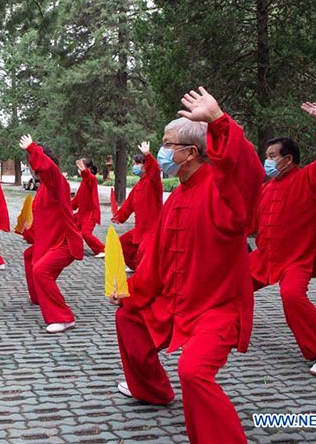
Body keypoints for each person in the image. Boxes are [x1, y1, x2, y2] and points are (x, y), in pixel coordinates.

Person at [113, 87, 263, 444]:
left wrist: (220, 122)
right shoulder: (178, 194)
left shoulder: (223, 190)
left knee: (193, 370)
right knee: (128, 318)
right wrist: (131, 292)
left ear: (190, 153)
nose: (162, 152)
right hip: (178, 301)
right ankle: (152, 390)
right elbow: (158, 261)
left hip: (217, 307)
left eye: (168, 145)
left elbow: (248, 174)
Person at [250, 102, 316, 377]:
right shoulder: (266, 189)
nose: (267, 160)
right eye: (266, 155)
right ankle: (226, 331)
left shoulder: (309, 179)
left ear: (288, 159)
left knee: (291, 295)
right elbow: (251, 223)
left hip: (295, 259)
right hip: (265, 257)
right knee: (232, 285)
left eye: (271, 155)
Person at [19, 134, 84, 333]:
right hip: (50, 241)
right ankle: (39, 296)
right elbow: (44, 220)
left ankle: (64, 317)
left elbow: (49, 171)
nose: (32, 168)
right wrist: (28, 233)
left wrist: (32, 148)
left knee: (41, 270)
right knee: (29, 256)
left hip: (65, 243)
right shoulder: (44, 188)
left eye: (34, 165)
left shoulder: (57, 182)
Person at [112, 142, 163, 272]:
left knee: (143, 253)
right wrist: (119, 217)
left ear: (145, 166)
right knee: (122, 243)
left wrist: (147, 155)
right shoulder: (139, 185)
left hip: (153, 229)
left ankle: (145, 273)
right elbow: (129, 204)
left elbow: (155, 171)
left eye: (137, 164)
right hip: (140, 228)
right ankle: (137, 268)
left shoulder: (153, 182)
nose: (134, 167)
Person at [71, 158, 106, 258]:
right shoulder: (83, 182)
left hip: (90, 214)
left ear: (88, 168)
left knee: (86, 233)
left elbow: (88, 177)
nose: (80, 169)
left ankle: (102, 249)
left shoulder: (92, 179)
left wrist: (84, 171)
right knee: (70, 227)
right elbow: (76, 201)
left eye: (82, 166)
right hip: (81, 214)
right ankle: (69, 247)